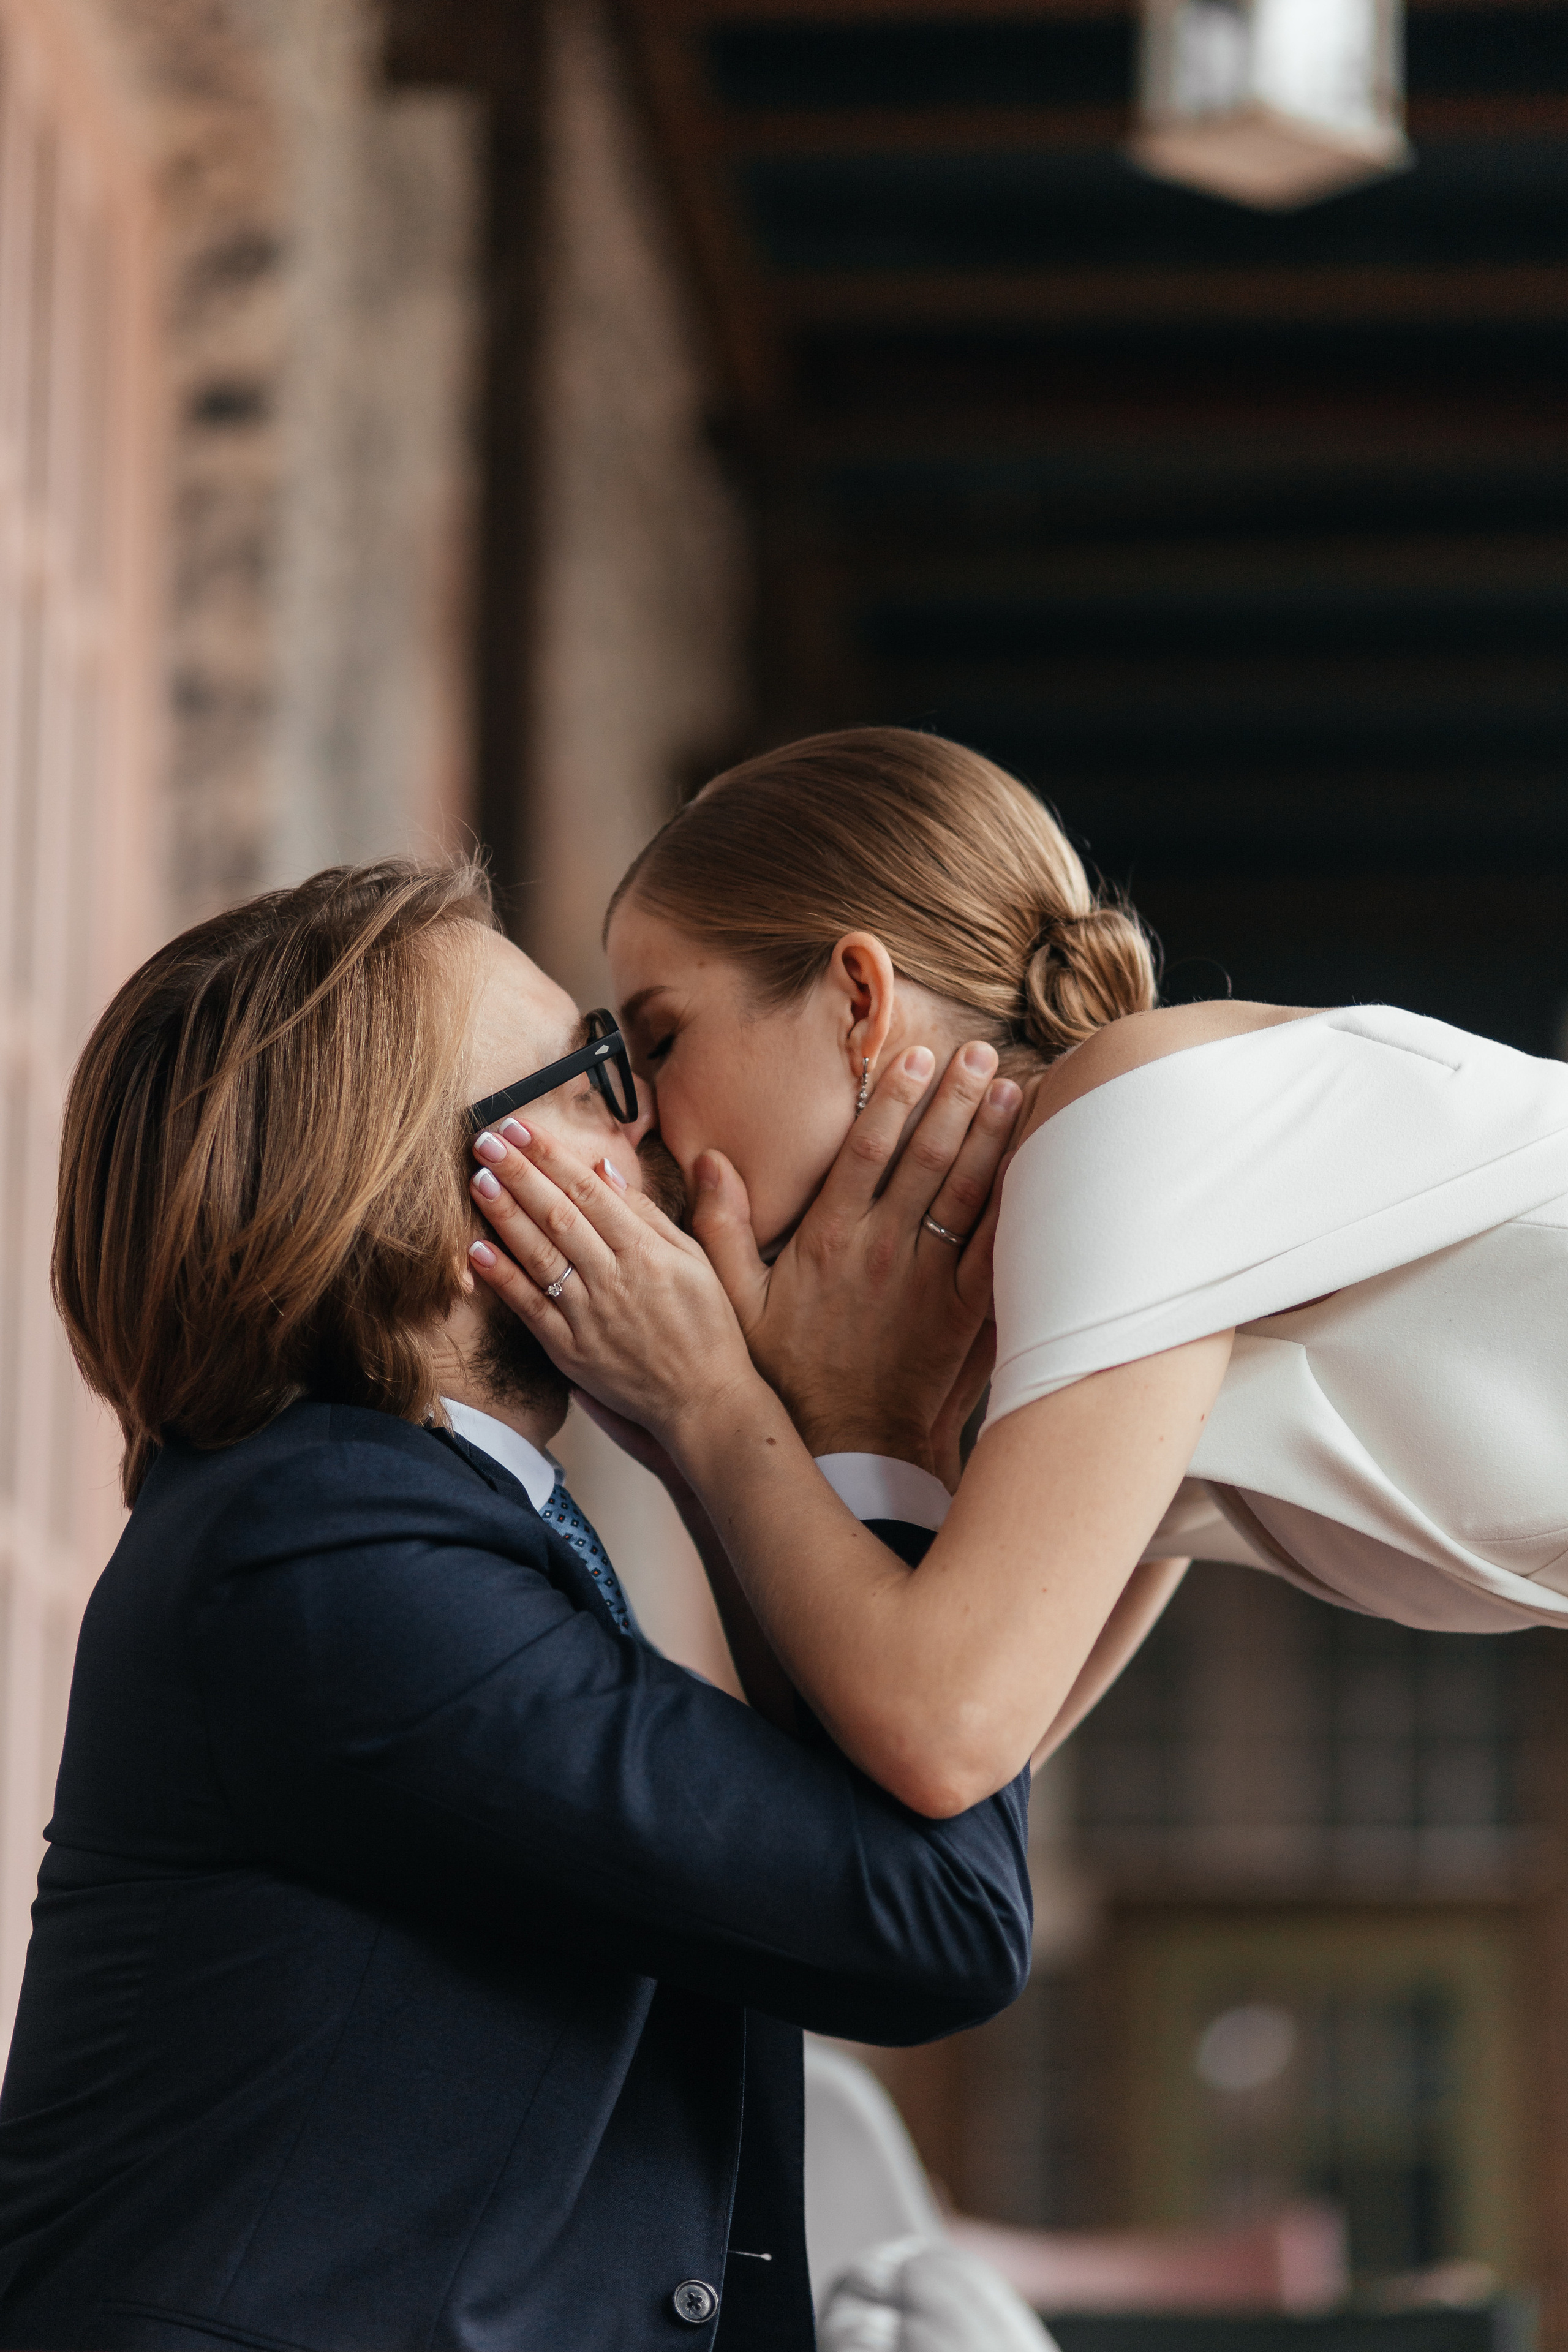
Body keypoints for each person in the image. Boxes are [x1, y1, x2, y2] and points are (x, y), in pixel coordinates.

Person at [0, 856, 1034, 2352]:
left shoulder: (403, 1522)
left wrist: (735, 1429)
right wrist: (809, 1420)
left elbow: (865, 1833)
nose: (656, 1127)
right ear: (396, 1201)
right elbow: (924, 1915)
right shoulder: (320, 1551)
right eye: (590, 1075)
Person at [462, 725, 1568, 1826]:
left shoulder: (1133, 1114)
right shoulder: (1092, 1314)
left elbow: (945, 1734)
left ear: (858, 998)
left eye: (659, 1041)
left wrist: (713, 1404)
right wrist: (707, 1446)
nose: (643, 1114)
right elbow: (878, 1824)